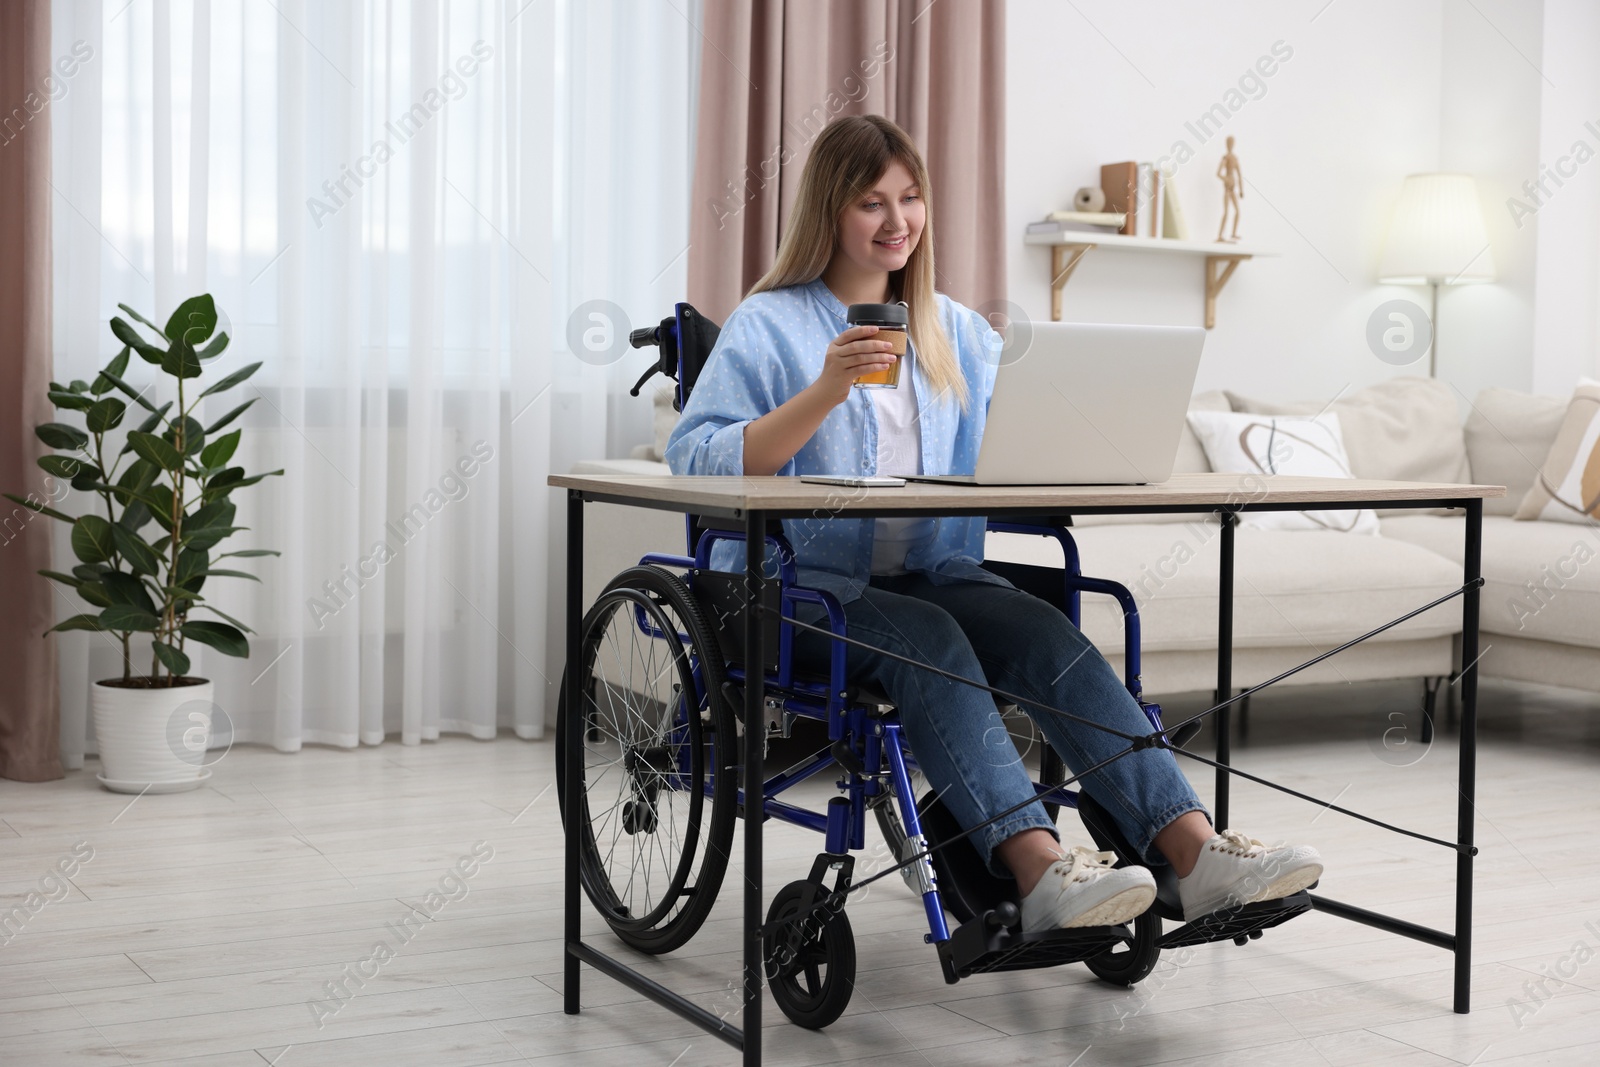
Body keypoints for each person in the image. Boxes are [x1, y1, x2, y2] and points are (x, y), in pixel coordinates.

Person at [666, 114, 1321, 934]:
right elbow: (694, 458)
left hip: (933, 573)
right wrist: (824, 391)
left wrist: (1076, 443)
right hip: (799, 591)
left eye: (911, 199)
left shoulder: (958, 333)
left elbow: (1010, 453)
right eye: (873, 202)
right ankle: (1040, 870)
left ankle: (1196, 855)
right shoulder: (773, 326)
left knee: (1048, 635)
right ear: (830, 210)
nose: (899, 221)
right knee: (928, 637)